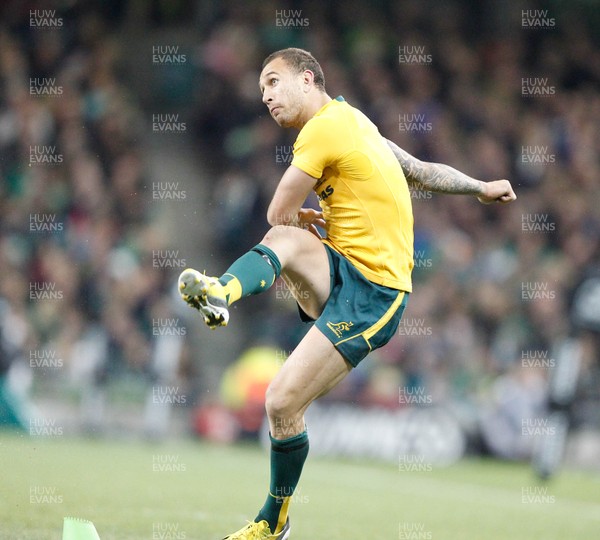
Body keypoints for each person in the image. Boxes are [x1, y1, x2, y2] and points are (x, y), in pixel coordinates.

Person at [179, 48, 516, 540]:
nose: (267, 96)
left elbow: (278, 208)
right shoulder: (358, 124)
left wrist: (297, 215)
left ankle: (273, 523)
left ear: (309, 79)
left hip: (375, 294)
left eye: (274, 82)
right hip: (339, 269)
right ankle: (221, 292)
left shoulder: (324, 129)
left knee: (280, 402)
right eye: (261, 90)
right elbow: (419, 169)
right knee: (287, 242)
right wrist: (480, 187)